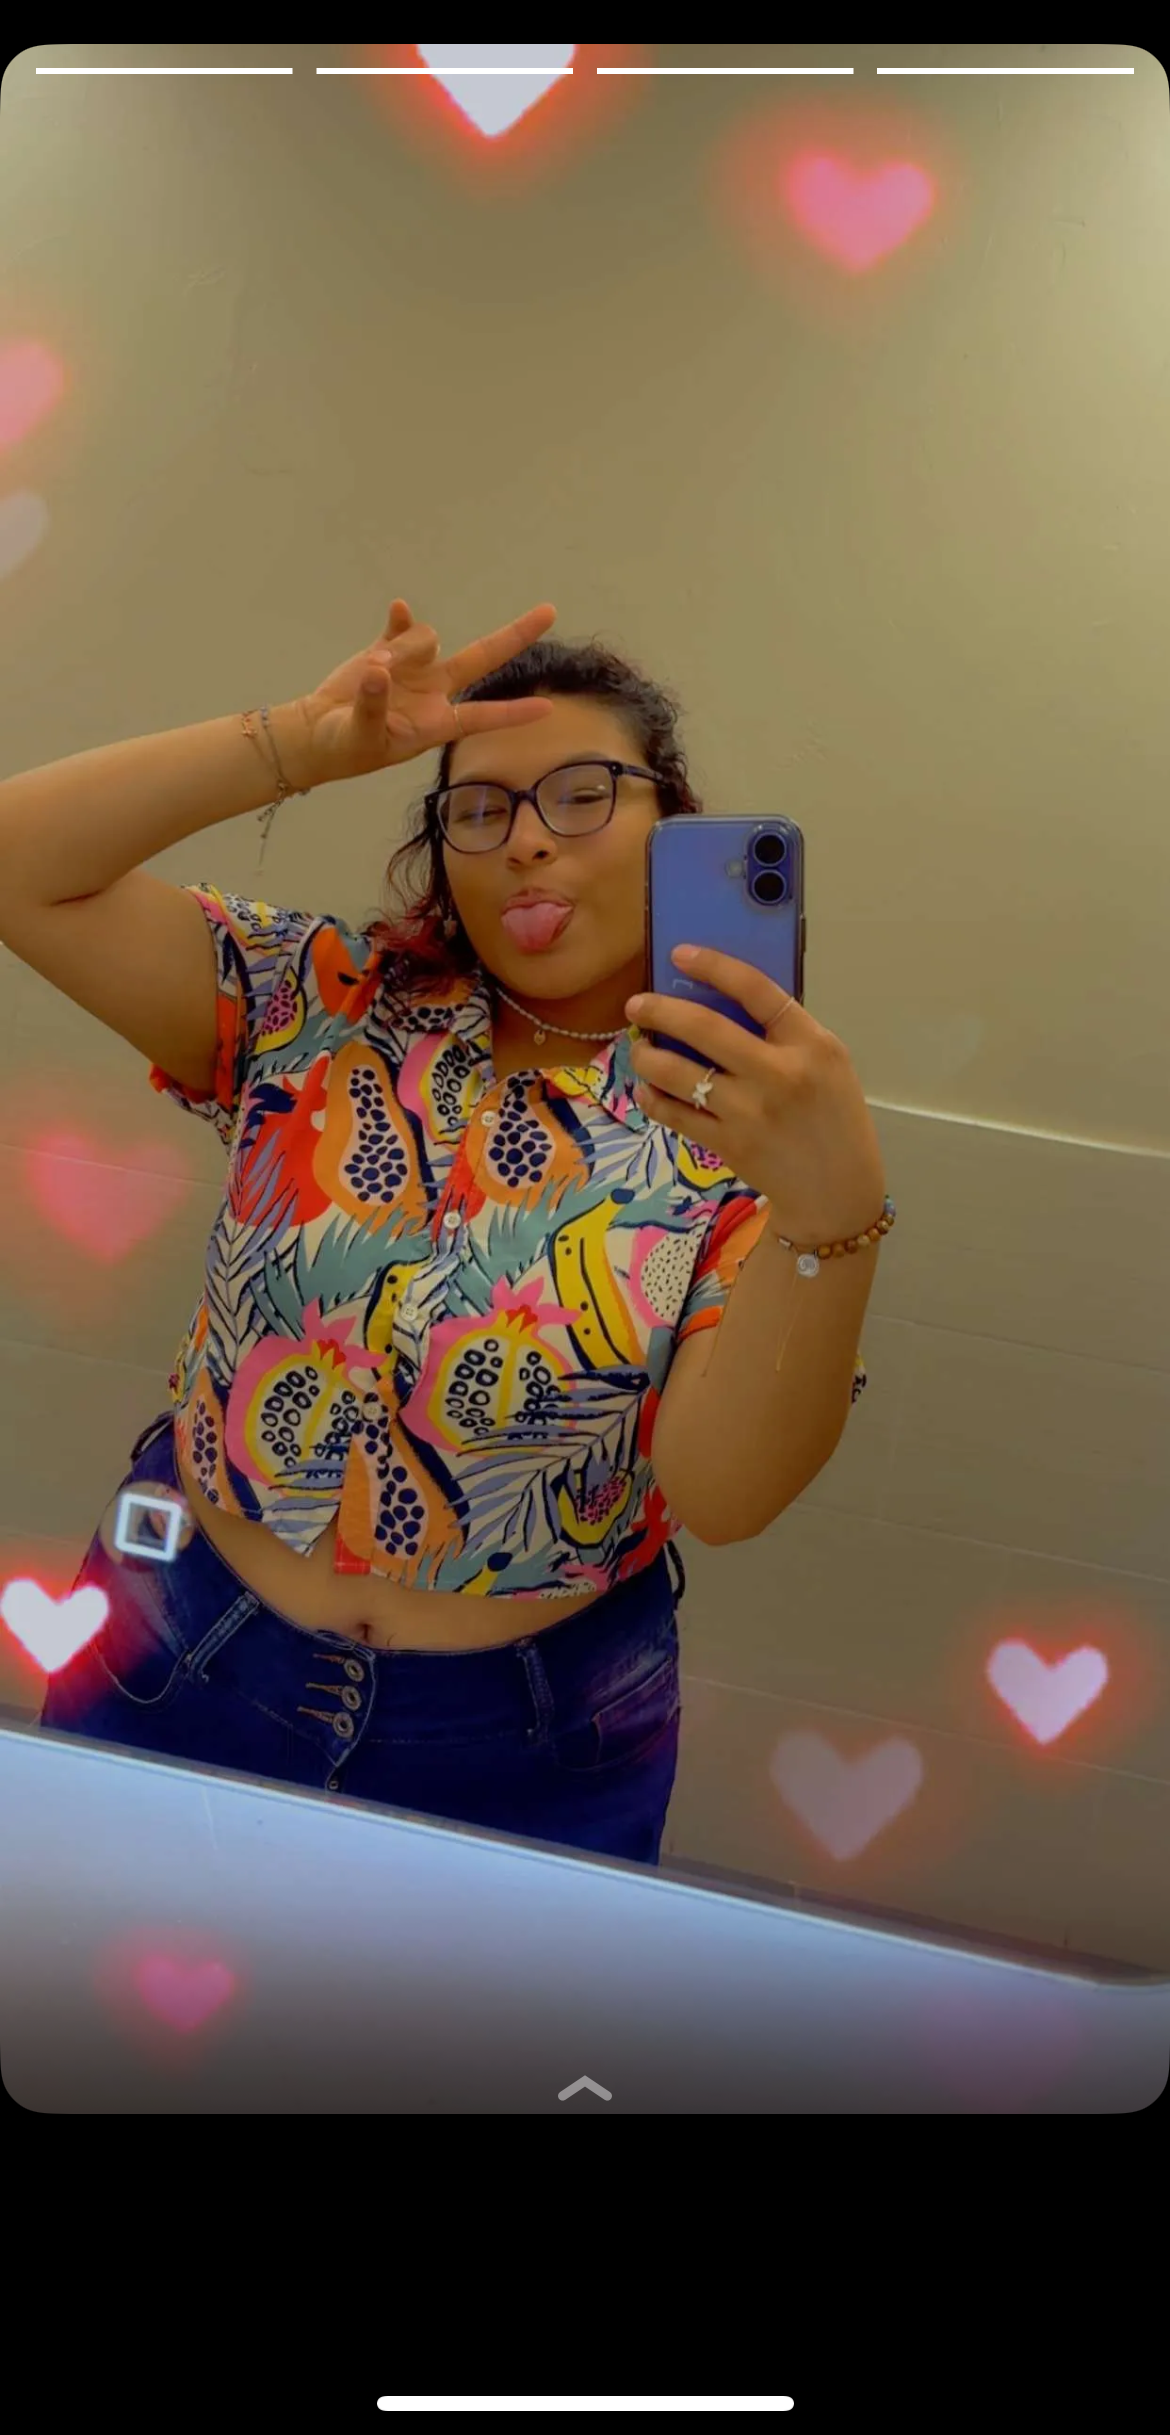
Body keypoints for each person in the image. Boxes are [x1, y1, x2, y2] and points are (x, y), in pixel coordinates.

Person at [1, 597, 889, 1867]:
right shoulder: (315, 1003)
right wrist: (300, 743)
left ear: (673, 826)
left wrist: (834, 1215)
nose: (526, 840)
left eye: (582, 795)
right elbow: (19, 863)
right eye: (480, 808)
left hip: (526, 1740)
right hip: (178, 1638)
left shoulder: (739, 1122)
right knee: (86, 1963)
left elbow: (727, 1494)